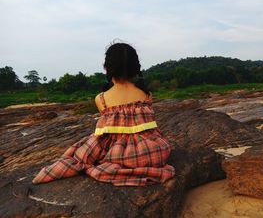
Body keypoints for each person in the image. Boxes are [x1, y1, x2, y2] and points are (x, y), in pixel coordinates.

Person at [32, 40, 176, 186]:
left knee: (82, 149)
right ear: (135, 68)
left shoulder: (101, 99)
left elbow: (109, 133)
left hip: (117, 153)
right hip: (151, 151)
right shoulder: (146, 95)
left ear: (106, 68)